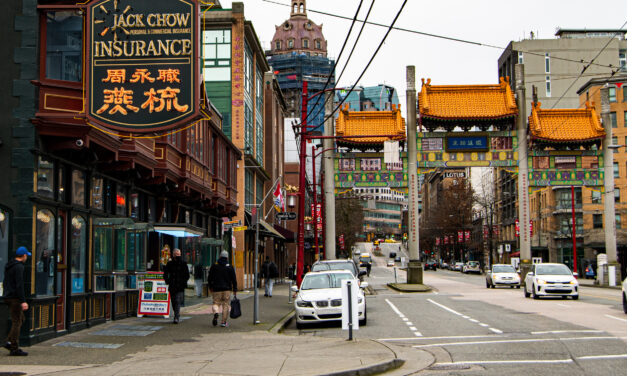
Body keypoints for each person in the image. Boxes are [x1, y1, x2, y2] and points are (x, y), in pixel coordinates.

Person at [3, 246, 31, 356]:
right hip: (15, 298)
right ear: (23, 255)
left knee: (20, 319)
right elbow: (20, 285)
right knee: (17, 321)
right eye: (26, 256)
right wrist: (23, 301)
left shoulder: (9, 265)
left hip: (8, 296)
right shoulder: (19, 267)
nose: (26, 258)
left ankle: (10, 341)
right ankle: (13, 346)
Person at [208, 250, 237, 327]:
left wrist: (210, 287)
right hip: (227, 289)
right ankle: (223, 322)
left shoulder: (214, 266)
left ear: (220, 256)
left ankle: (216, 313)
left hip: (216, 289)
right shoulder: (230, 267)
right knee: (225, 305)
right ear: (227, 258)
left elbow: (210, 277)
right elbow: (234, 279)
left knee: (216, 303)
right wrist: (235, 289)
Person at [163, 248, 189, 324]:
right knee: (173, 301)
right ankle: (176, 314)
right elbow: (165, 274)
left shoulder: (184, 263)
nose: (177, 255)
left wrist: (183, 282)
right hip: (172, 285)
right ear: (173, 255)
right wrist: (167, 281)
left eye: (178, 254)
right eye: (176, 254)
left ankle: (176, 317)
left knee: (177, 300)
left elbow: (187, 275)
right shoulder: (170, 264)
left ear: (180, 254)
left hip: (180, 286)